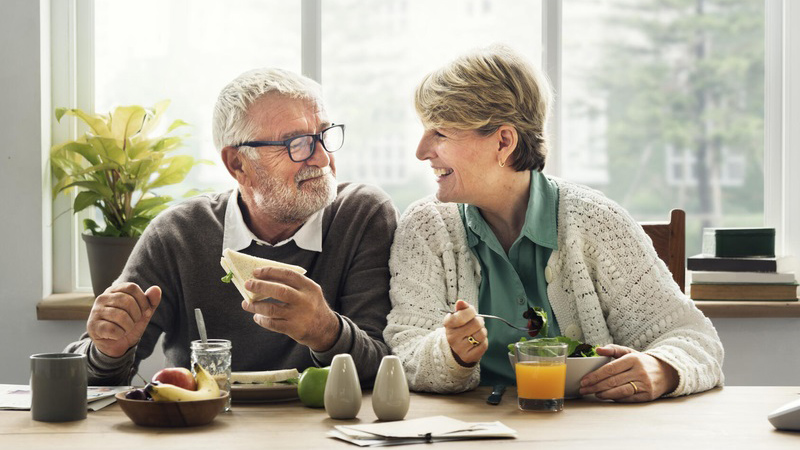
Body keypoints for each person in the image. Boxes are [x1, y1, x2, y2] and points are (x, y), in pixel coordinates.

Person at [384, 45, 724, 401]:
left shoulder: (597, 222)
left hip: (586, 432)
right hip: (468, 432)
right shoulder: (426, 227)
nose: (422, 151)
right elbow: (404, 351)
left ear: (503, 141)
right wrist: (452, 352)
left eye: (440, 133)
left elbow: (693, 337)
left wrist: (663, 367)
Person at [65, 68, 398, 385]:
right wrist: (107, 351)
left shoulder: (362, 215)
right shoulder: (178, 234)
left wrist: (326, 331)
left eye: (324, 135)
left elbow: (386, 370)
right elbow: (84, 381)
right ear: (238, 164)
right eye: (296, 144)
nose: (323, 158)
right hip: (203, 429)